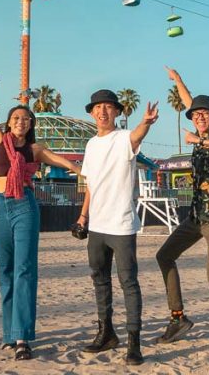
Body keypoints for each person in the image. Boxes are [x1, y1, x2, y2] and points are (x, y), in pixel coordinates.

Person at [0, 54, 82, 361]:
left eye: (26, 119)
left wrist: (84, 172)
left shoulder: (34, 149)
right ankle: (9, 333)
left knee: (25, 270)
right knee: (5, 271)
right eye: (16, 118)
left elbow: (62, 161)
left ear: (31, 124)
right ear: (10, 122)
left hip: (24, 207)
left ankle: (21, 338)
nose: (20, 122)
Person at [155, 67, 209, 355]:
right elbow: (189, 103)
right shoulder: (198, 126)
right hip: (195, 215)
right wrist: (179, 80)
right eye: (195, 115)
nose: (199, 117)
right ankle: (178, 318)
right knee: (164, 255)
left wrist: (200, 141)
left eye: (205, 114)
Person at [75, 89, 158, 365]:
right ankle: (106, 333)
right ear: (91, 113)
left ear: (117, 112)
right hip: (96, 226)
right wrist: (83, 218)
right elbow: (90, 185)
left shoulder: (124, 139)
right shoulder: (90, 145)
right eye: (97, 107)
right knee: (99, 279)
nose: (102, 112)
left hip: (121, 225)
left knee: (128, 282)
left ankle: (134, 342)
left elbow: (137, 136)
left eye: (108, 107)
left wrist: (145, 122)